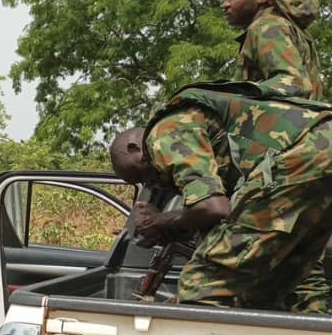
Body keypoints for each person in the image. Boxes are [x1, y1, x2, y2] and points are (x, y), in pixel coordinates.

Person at [109, 83, 332, 311]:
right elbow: (222, 219)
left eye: (142, 173)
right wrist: (174, 227)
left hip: (306, 151)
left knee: (202, 282)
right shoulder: (203, 135)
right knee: (286, 280)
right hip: (320, 145)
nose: (150, 181)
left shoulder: (164, 132)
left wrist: (159, 220)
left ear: (135, 147)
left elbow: (213, 207)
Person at [221, 0, 328, 312]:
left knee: (249, 261)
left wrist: (228, 98)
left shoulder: (266, 27)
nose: (225, 3)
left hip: (286, 161)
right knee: (300, 266)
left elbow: (292, 84)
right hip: (310, 155)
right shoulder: (290, 30)